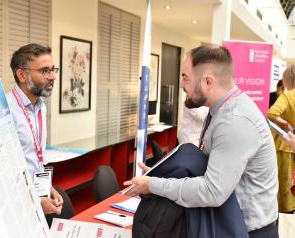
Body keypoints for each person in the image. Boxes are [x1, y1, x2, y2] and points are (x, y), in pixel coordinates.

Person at [125, 44, 278, 237]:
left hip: (248, 232)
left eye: (185, 78)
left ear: (207, 81)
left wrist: (153, 185)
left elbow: (212, 191)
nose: (181, 85)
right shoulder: (222, 111)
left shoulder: (234, 121)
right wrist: (161, 175)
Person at [0, 43, 63, 237]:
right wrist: (35, 200)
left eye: (53, 70)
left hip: (33, 202)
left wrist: (47, 189)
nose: (52, 76)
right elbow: (1, 172)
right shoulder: (3, 109)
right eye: (45, 71)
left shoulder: (40, 107)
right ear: (22, 75)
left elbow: (34, 158)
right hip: (10, 208)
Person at [267, 65, 295, 213]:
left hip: (284, 143)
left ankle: (286, 211)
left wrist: (284, 123)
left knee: (284, 181)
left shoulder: (287, 95)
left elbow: (271, 113)